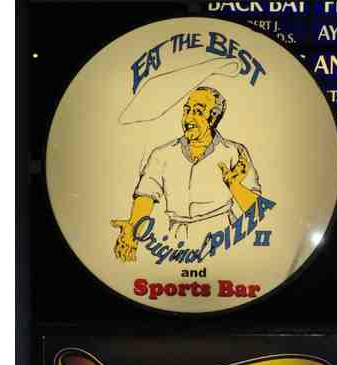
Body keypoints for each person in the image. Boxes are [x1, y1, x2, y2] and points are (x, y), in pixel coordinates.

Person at [111, 86, 262, 262]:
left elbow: (257, 210)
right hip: (175, 242)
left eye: (198, 111)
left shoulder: (235, 152)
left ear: (213, 117)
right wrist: (133, 226)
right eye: (187, 110)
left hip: (222, 237)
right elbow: (146, 194)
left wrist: (235, 186)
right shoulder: (162, 154)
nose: (188, 118)